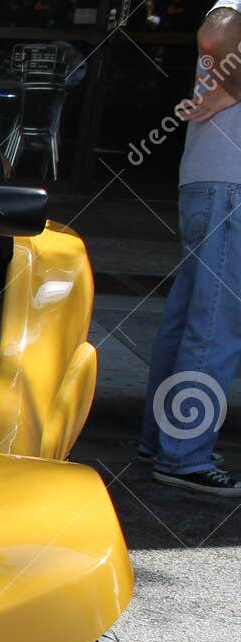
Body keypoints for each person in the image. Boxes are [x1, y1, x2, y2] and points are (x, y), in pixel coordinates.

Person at [138, 0, 241, 498]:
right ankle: (184, 454)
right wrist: (232, 92)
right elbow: (216, 32)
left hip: (212, 184)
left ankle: (164, 440)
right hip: (229, 189)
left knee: (188, 321)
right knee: (214, 325)